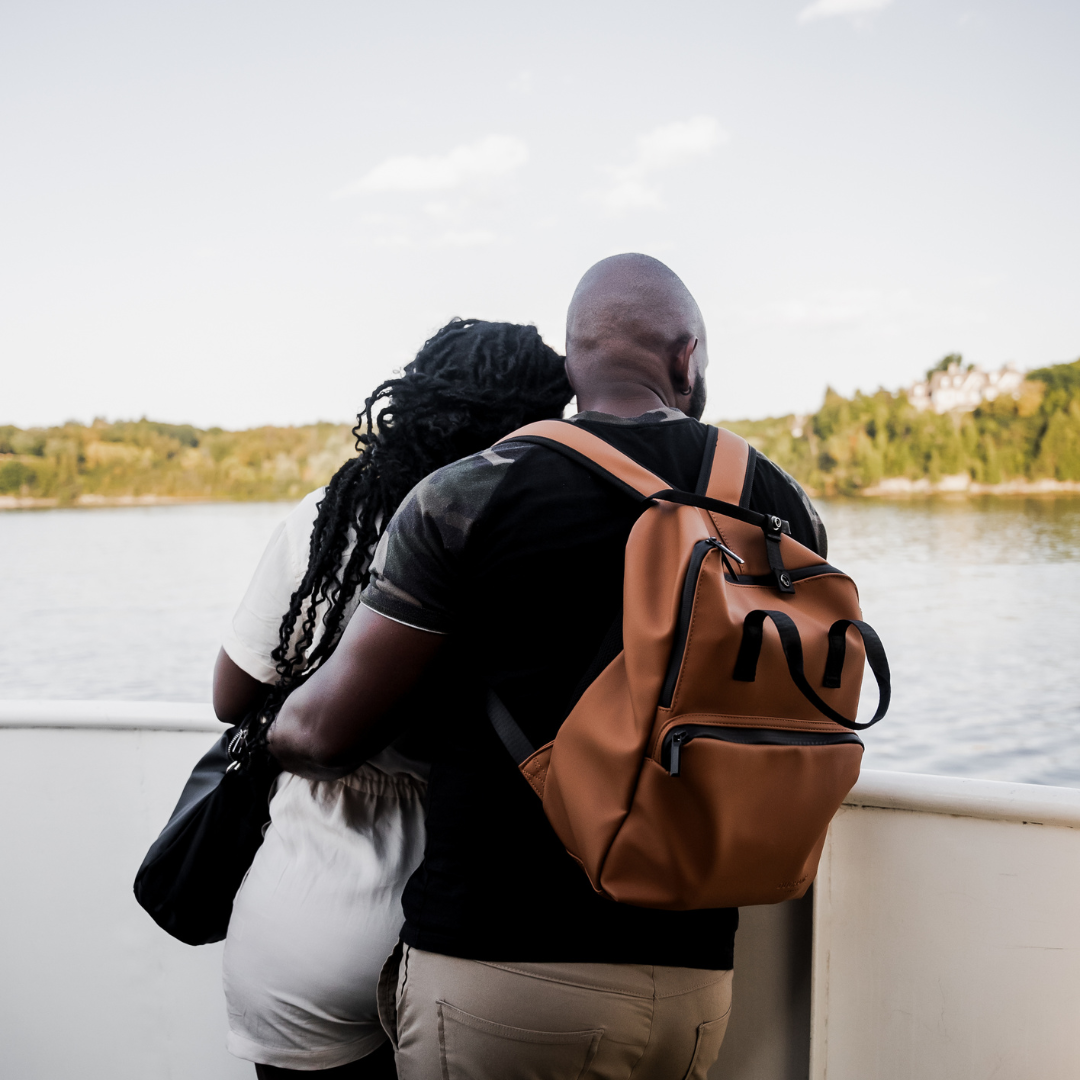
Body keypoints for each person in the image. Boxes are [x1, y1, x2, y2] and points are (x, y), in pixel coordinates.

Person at [267, 254, 829, 1079]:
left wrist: (268, 732)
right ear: (688, 356)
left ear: (571, 366)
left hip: (499, 966)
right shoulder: (782, 502)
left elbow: (324, 734)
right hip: (696, 974)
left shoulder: (466, 494)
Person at [211, 318, 573, 1078]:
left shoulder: (324, 518)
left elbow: (231, 694)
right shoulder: (538, 537)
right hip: (470, 924)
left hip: (305, 919)